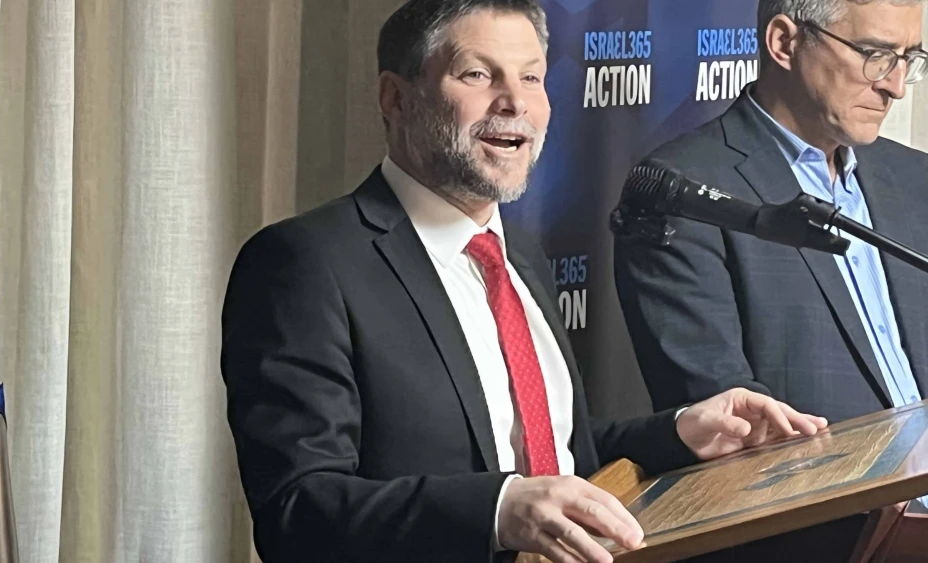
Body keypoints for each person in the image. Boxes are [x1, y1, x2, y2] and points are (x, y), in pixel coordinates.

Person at [220, 2, 827, 563]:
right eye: (478, 76)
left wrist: (680, 430)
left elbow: (551, 446)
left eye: (532, 77)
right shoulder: (304, 264)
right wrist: (497, 511)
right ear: (395, 97)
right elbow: (295, 510)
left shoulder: (518, 250)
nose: (514, 102)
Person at [615, 0, 928, 425]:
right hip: (834, 489)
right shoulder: (682, 196)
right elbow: (733, 424)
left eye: (908, 59)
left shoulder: (915, 177)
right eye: (876, 56)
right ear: (785, 43)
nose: (896, 87)